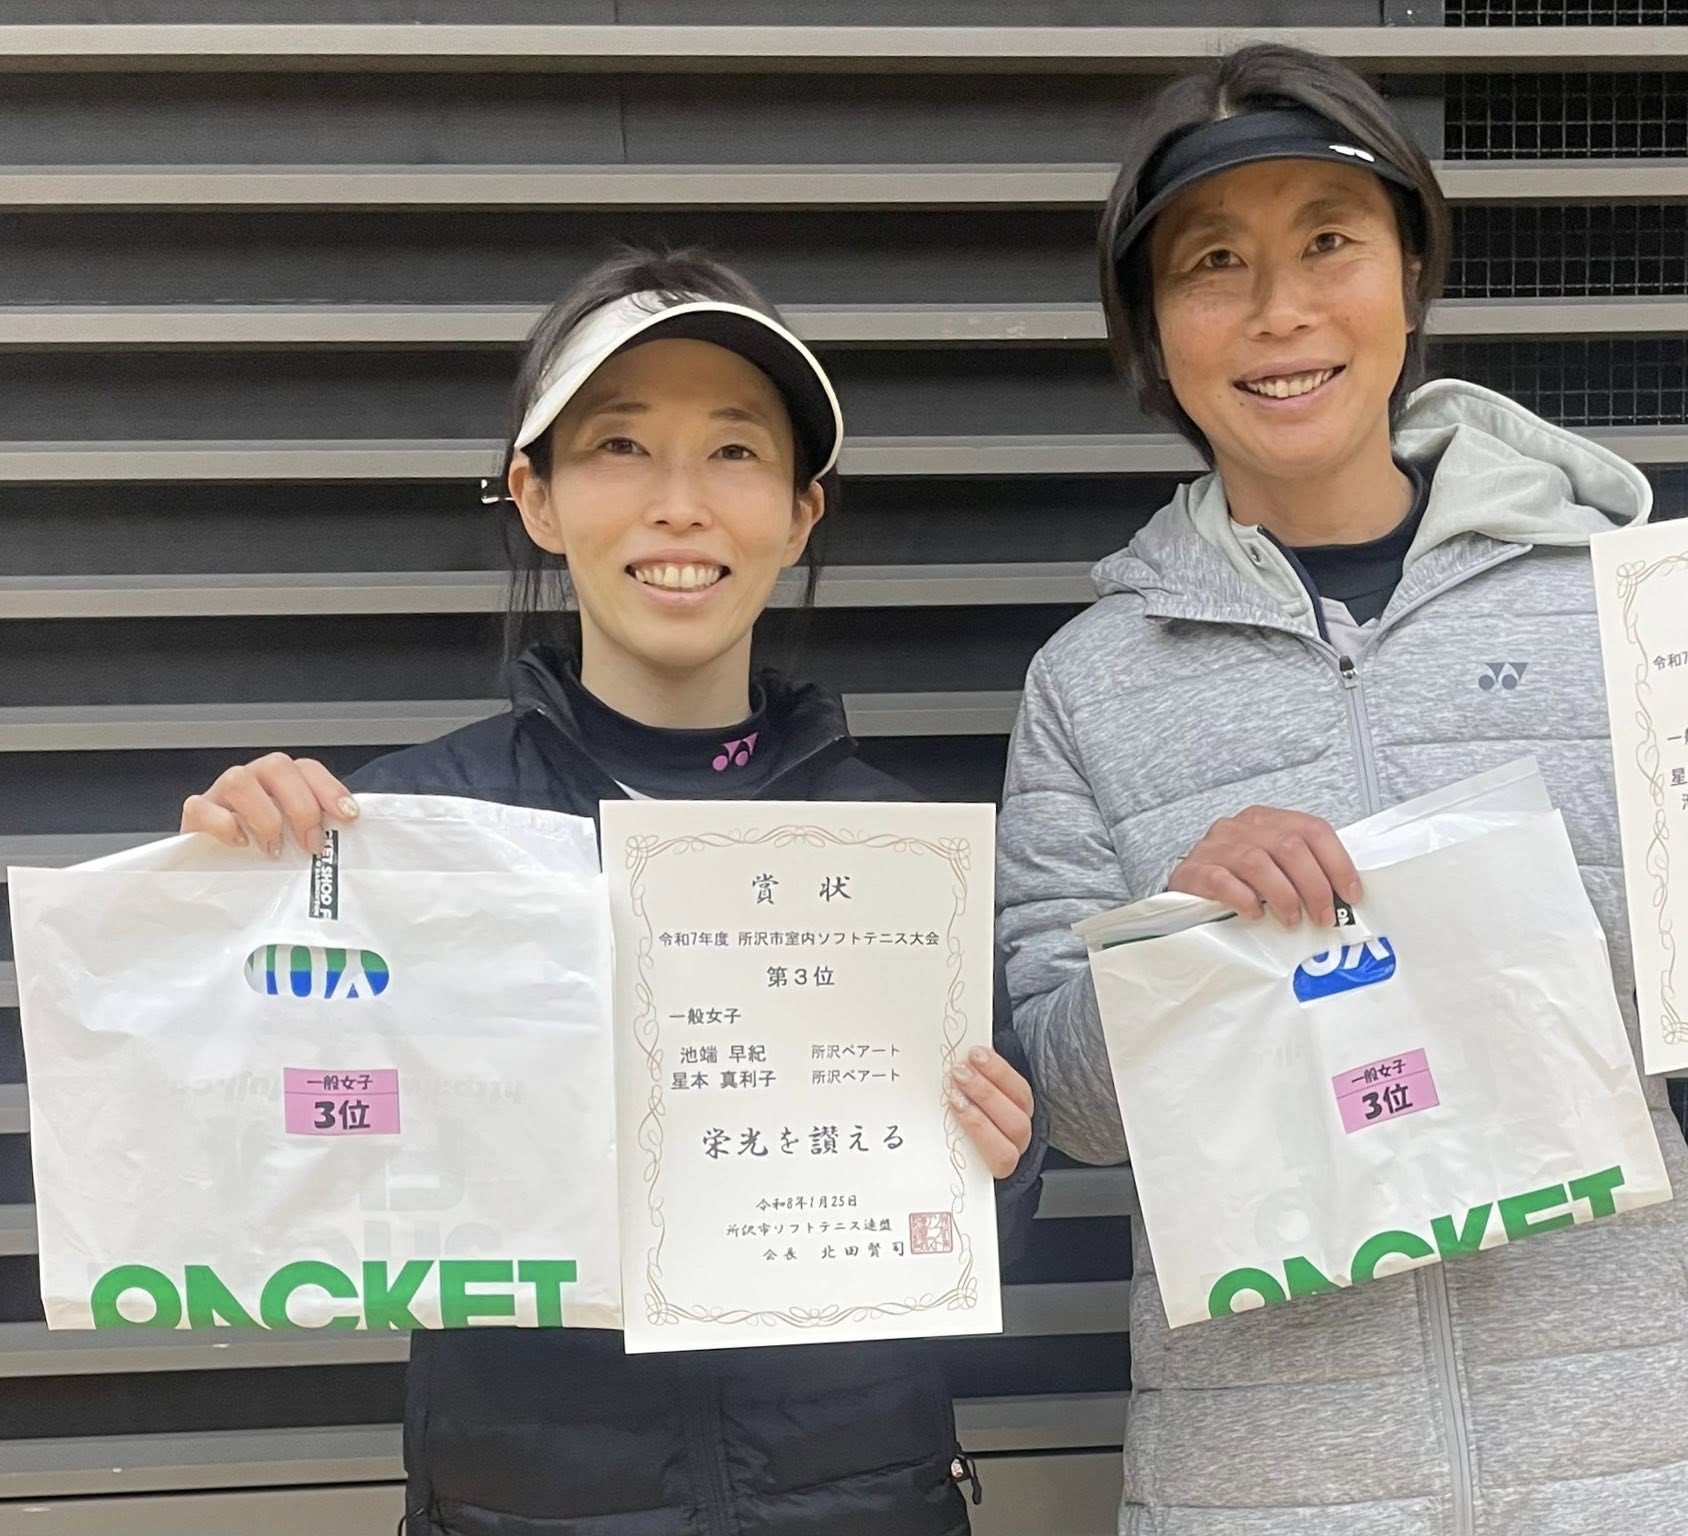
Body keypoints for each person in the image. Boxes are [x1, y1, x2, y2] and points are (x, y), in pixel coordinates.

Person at [996, 43, 1688, 1536]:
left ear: (1410, 273)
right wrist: (1179, 938)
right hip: (1270, 1488)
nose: (1280, 310)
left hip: (1642, 1463)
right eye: (1214, 263)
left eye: (1330, 242)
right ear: (1151, 330)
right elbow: (1068, 1107)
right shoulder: (1089, 683)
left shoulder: (1624, 608)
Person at [178, 246, 1046, 1536]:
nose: (678, 505)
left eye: (735, 451)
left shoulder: (900, 857)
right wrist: (227, 906)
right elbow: (272, 1155)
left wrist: (1002, 1164)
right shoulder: (406, 838)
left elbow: (982, 1237)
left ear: (802, 511)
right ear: (534, 496)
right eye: (620, 446)